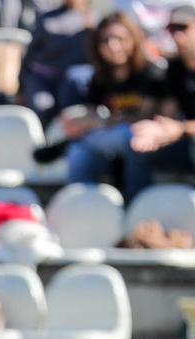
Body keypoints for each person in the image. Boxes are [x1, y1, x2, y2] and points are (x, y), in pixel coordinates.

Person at [56, 12, 164, 194]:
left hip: (147, 141)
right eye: (105, 40)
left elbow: (144, 116)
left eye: (119, 39)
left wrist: (101, 121)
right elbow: (89, 117)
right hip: (110, 141)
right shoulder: (98, 79)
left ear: (133, 39)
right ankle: (82, 209)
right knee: (78, 152)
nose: (113, 46)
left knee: (132, 138)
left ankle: (134, 204)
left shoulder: (151, 72)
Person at [126, 4, 195, 197]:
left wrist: (181, 128)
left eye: (183, 28)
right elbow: (169, 112)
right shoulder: (174, 68)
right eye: (172, 29)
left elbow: (180, 126)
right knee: (138, 146)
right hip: (185, 138)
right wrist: (158, 130)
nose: (177, 36)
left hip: (188, 136)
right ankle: (137, 211)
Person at [19, 0, 92, 124]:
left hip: (71, 81)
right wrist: (21, 86)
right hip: (43, 78)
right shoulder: (48, 19)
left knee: (72, 110)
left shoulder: (92, 20)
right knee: (43, 107)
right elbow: (29, 55)